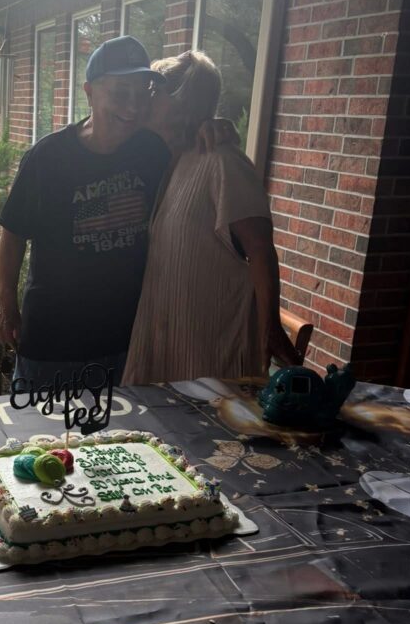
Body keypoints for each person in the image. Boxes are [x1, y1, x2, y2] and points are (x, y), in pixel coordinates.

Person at [0, 35, 236, 388]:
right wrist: (6, 304)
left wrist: (214, 126)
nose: (133, 106)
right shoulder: (48, 157)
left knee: (117, 439)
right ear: (89, 91)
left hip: (126, 341)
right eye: (121, 93)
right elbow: (12, 234)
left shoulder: (153, 151)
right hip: (51, 340)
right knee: (37, 439)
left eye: (142, 93)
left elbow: (191, 145)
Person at [122, 51, 300, 385]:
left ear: (181, 99)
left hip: (208, 349)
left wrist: (270, 327)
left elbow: (260, 249)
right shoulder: (172, 159)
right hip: (165, 340)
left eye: (152, 92)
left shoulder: (222, 161)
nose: (142, 101)